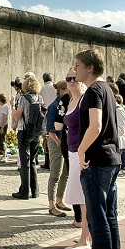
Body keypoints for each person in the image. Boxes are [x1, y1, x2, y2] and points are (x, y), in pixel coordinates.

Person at [74, 49, 121, 249]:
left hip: (97, 161)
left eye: (78, 65)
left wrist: (81, 151)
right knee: (109, 217)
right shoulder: (107, 89)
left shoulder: (93, 91)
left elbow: (96, 126)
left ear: (89, 68)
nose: (75, 69)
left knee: (97, 219)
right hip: (110, 159)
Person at [62, 67, 90, 249]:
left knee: (84, 197)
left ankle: (85, 239)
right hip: (72, 151)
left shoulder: (84, 100)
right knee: (80, 197)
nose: (71, 81)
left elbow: (91, 127)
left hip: (81, 153)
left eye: (74, 78)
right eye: (68, 78)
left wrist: (82, 153)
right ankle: (86, 234)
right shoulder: (72, 99)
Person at [12, 75, 42, 199]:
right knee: (33, 161)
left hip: (24, 131)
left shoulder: (23, 98)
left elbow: (17, 116)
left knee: (25, 163)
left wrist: (12, 106)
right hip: (36, 131)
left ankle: (24, 191)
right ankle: (35, 191)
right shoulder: (39, 97)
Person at [46, 80, 70, 217]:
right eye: (67, 89)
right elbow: (51, 130)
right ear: (62, 91)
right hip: (56, 141)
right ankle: (51, 205)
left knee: (65, 173)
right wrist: (59, 143)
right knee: (55, 173)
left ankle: (59, 199)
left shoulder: (67, 104)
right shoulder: (54, 106)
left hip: (65, 142)